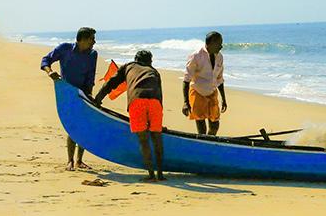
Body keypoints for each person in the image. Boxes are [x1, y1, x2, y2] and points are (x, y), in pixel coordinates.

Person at [95, 50, 166, 182]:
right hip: (155, 102)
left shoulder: (128, 66)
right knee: (156, 138)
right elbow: (159, 94)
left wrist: (98, 98)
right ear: (150, 61)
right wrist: (158, 121)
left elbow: (111, 83)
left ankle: (151, 175)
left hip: (137, 101)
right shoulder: (154, 71)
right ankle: (160, 174)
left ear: (136, 59)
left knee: (143, 139)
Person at [40, 27, 98, 170]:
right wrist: (50, 72)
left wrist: (89, 94)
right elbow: (45, 60)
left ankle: (79, 161)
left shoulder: (92, 54)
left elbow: (91, 76)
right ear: (83, 39)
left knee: (83, 126)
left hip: (83, 93)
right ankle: (70, 161)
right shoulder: (64, 49)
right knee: (72, 126)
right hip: (66, 92)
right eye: (92, 39)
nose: (94, 42)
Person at [182, 31, 228, 135]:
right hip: (198, 93)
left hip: (212, 93)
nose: (221, 46)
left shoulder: (219, 56)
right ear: (211, 43)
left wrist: (224, 99)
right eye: (219, 43)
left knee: (215, 125)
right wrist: (185, 102)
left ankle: (210, 140)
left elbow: (219, 79)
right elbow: (186, 79)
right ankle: (204, 143)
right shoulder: (196, 56)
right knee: (201, 126)